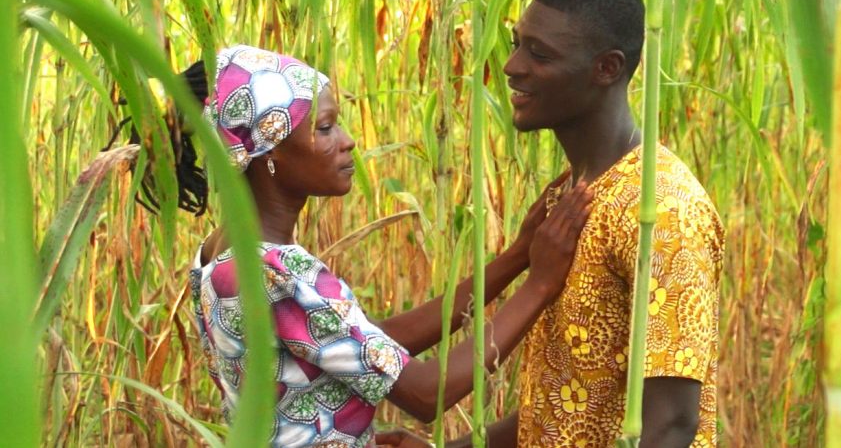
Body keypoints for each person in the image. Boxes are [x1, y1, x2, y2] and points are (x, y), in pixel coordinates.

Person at [378, 0, 723, 447]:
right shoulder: (570, 196)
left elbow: (671, 425)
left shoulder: (662, 212)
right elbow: (567, 401)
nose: (512, 66)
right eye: (518, 43)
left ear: (607, 68)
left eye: (538, 54)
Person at [180, 44, 593, 447]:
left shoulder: (220, 252)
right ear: (267, 152)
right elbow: (428, 394)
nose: (347, 142)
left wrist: (518, 255)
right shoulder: (275, 273)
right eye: (324, 128)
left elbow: (369, 342)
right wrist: (539, 283)